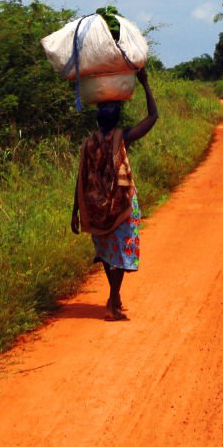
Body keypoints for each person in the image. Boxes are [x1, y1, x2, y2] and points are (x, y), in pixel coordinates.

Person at [71, 68, 158, 321]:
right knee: (119, 252)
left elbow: (81, 179)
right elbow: (153, 116)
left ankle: (114, 295)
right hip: (120, 205)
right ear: (117, 120)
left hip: (96, 207)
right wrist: (145, 84)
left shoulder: (88, 143)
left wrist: (76, 211)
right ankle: (112, 301)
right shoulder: (123, 137)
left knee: (109, 253)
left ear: (98, 121)